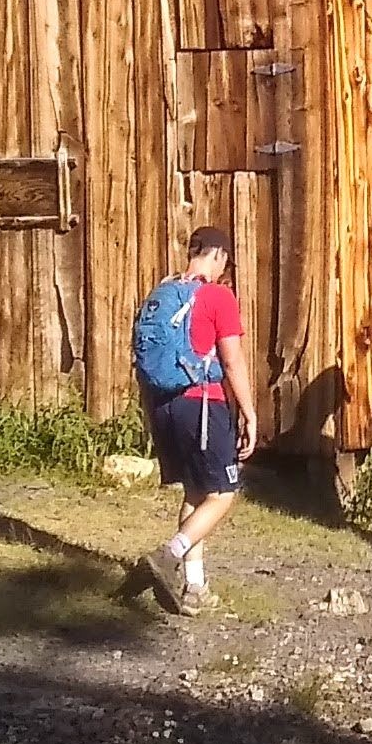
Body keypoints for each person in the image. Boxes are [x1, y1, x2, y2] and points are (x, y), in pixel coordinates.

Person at [132, 225, 259, 614]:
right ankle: (169, 556)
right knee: (224, 492)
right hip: (202, 404)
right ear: (218, 256)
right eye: (225, 262)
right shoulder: (217, 296)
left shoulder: (162, 293)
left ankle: (195, 587)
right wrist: (250, 414)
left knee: (195, 491)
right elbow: (232, 361)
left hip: (164, 406)